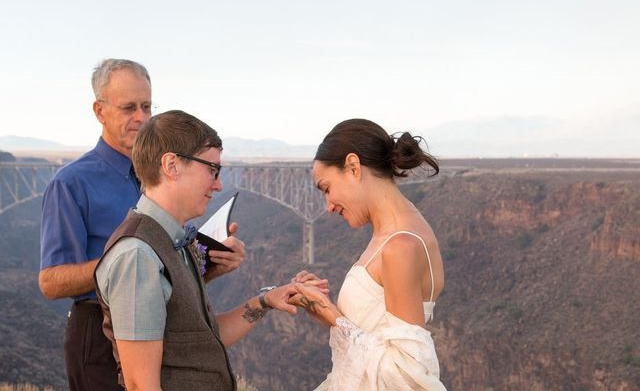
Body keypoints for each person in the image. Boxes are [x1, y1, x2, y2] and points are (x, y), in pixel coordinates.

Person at [39, 59, 245, 391]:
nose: (141, 117)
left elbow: (159, 274)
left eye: (147, 106)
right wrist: (129, 265)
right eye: (128, 107)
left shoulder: (157, 171)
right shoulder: (72, 183)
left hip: (160, 323)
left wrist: (207, 260)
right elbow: (50, 282)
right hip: (99, 335)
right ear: (99, 110)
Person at [94, 110, 318, 391]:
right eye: (212, 169)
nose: (219, 184)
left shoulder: (171, 242)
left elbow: (200, 341)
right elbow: (142, 385)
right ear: (171, 165)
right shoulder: (138, 256)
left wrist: (267, 300)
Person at [291, 118, 447, 391]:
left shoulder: (400, 246)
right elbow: (376, 333)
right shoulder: (397, 231)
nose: (328, 206)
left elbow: (407, 376)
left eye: (327, 189)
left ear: (353, 167)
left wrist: (331, 315)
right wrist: (321, 309)